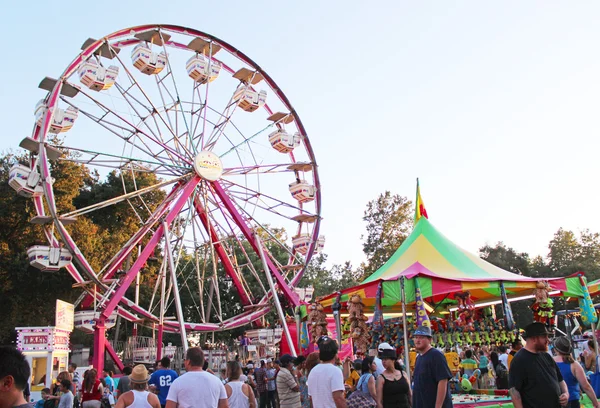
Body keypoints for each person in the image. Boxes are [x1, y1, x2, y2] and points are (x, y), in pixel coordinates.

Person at [508, 322, 569, 408]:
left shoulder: (546, 356)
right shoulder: (519, 360)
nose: (548, 340)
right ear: (534, 339)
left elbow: (560, 380)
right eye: (544, 337)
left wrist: (566, 394)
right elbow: (514, 391)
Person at [411, 325, 453, 408]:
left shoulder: (436, 356)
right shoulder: (419, 358)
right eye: (416, 337)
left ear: (430, 340)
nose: (417, 340)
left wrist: (438, 406)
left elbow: (442, 381)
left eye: (421, 338)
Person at [553, 337, 600, 408]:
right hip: (572, 401)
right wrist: (596, 403)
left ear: (555, 349)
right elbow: (586, 386)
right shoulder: (574, 365)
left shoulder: (549, 362)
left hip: (555, 401)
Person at [306, 336, 346, 408]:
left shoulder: (313, 371)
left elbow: (311, 399)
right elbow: (338, 398)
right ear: (335, 354)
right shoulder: (335, 371)